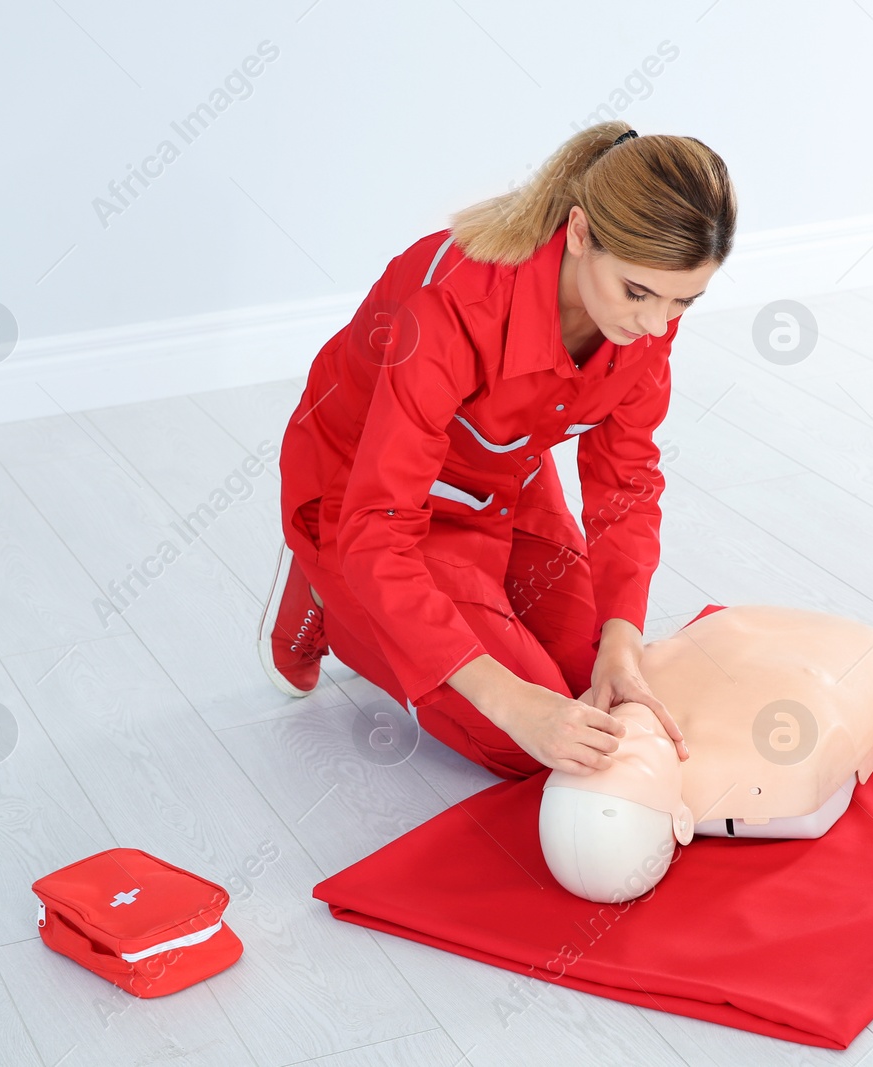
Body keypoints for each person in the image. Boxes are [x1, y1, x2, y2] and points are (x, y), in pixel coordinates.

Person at [259, 121, 736, 780]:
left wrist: (623, 639)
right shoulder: (451, 305)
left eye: (685, 301)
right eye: (638, 293)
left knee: (588, 689)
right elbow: (379, 527)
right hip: (362, 496)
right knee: (519, 741)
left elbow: (626, 485)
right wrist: (512, 702)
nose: (656, 326)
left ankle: (403, 606)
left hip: (497, 475)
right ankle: (325, 589)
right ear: (577, 234)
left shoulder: (644, 324)